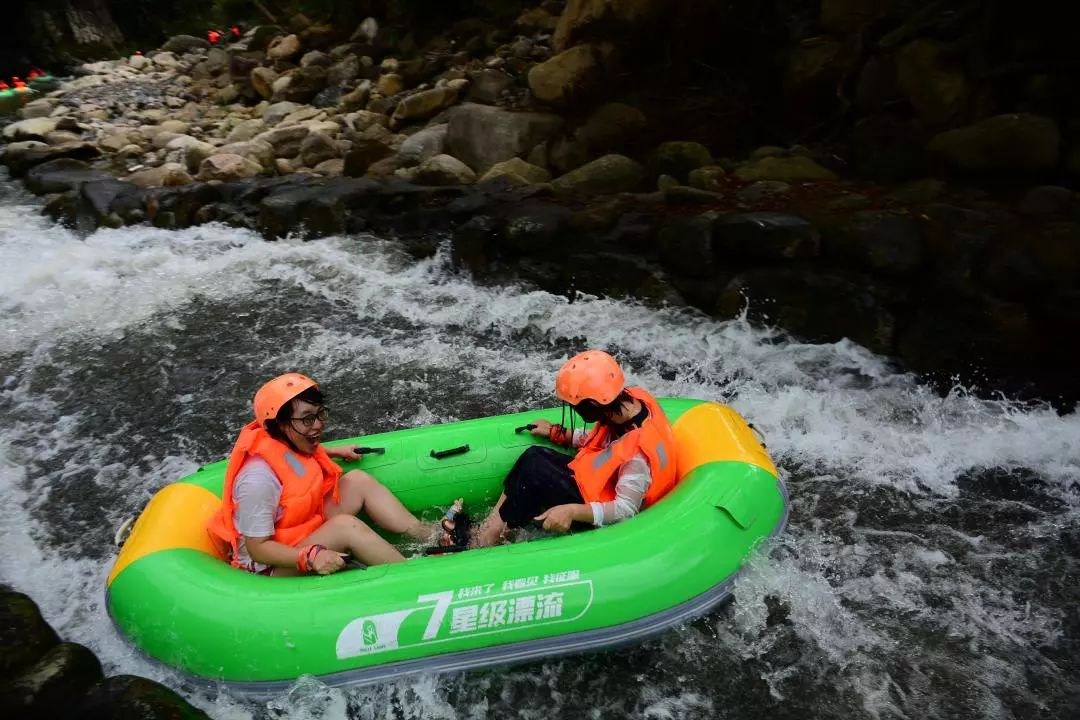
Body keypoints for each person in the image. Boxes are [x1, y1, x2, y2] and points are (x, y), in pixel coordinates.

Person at [208, 373, 436, 576]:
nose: (318, 425)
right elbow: (259, 549)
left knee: (357, 481)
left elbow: (292, 458)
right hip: (271, 566)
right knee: (346, 526)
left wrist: (334, 450)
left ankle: (433, 536)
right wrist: (311, 556)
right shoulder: (258, 481)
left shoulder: (286, 440)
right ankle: (414, 578)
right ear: (277, 424)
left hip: (301, 529)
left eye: (320, 415)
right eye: (307, 419)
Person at [472, 350, 678, 547]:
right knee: (533, 457)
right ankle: (492, 528)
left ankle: (486, 541)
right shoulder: (627, 403)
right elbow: (601, 440)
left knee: (536, 471)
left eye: (575, 406)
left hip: (598, 507)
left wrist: (572, 511)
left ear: (594, 406)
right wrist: (558, 433)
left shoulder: (637, 456)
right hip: (595, 483)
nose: (573, 409)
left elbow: (625, 510)